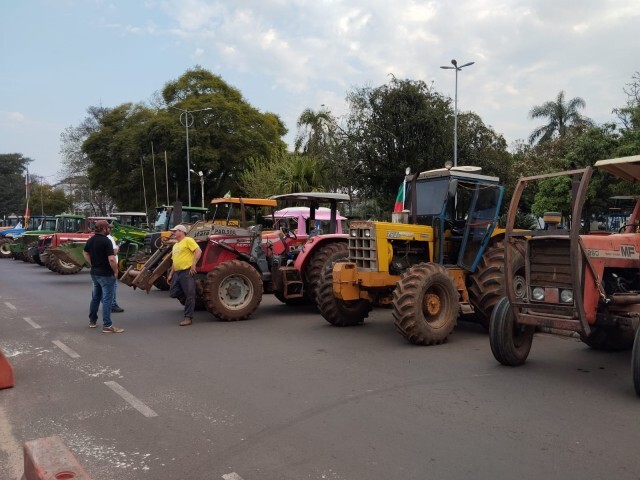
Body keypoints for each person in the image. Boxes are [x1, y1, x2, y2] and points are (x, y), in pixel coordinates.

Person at [82, 220, 124, 333]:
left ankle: (92, 321)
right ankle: (107, 325)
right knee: (107, 300)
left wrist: (91, 263)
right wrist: (116, 271)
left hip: (95, 273)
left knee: (95, 297)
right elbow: (111, 259)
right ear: (104, 228)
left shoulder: (91, 240)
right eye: (108, 228)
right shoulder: (106, 241)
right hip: (106, 273)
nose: (109, 230)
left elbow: (85, 253)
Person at [167, 224, 202, 326]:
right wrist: (170, 274)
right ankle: (192, 294)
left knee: (190, 296)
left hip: (186, 271)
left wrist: (193, 265)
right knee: (173, 292)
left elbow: (198, 251)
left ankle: (188, 318)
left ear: (181, 232)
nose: (173, 233)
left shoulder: (188, 240)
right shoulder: (175, 245)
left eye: (175, 231)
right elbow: (174, 261)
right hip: (177, 273)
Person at [107, 230, 124, 313]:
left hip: (98, 268)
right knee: (113, 286)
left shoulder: (93, 238)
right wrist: (115, 271)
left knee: (98, 290)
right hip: (109, 267)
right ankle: (112, 305)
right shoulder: (109, 238)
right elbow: (113, 253)